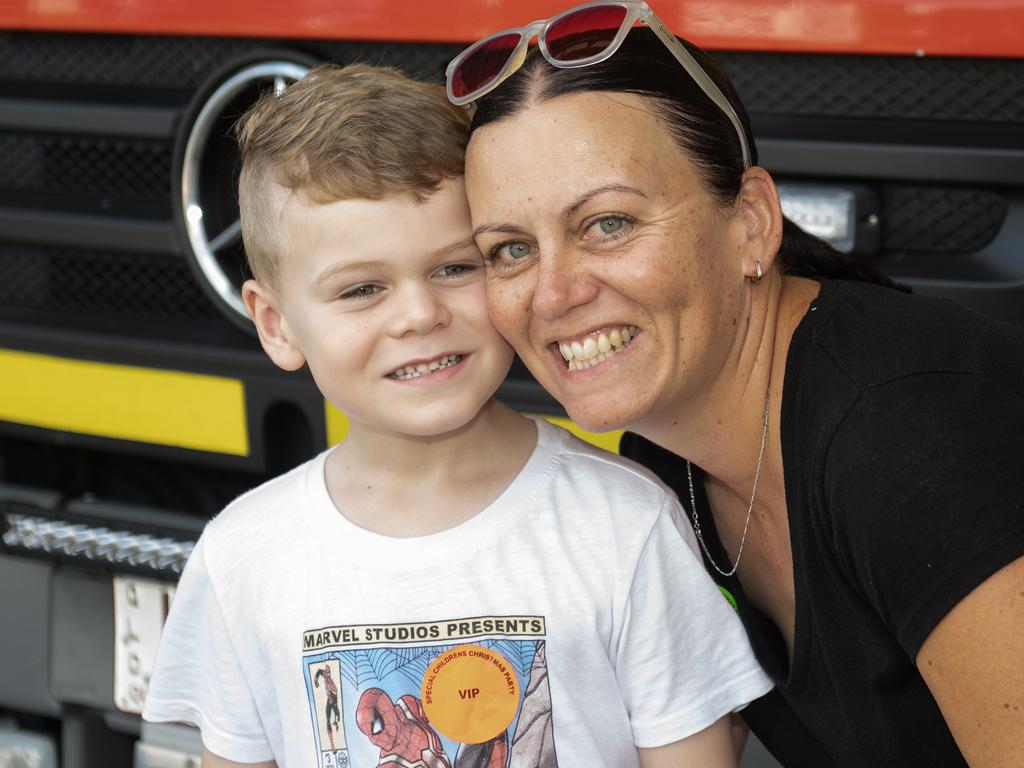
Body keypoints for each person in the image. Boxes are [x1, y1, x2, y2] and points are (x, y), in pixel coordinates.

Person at [141, 62, 772, 768]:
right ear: (276, 323)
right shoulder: (241, 559)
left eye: (454, 268)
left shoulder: (626, 526)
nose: (419, 315)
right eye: (362, 289)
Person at [452, 2, 1024, 766]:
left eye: (608, 224)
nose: (552, 295)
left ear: (751, 222)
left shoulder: (903, 429)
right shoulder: (668, 465)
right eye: (511, 249)